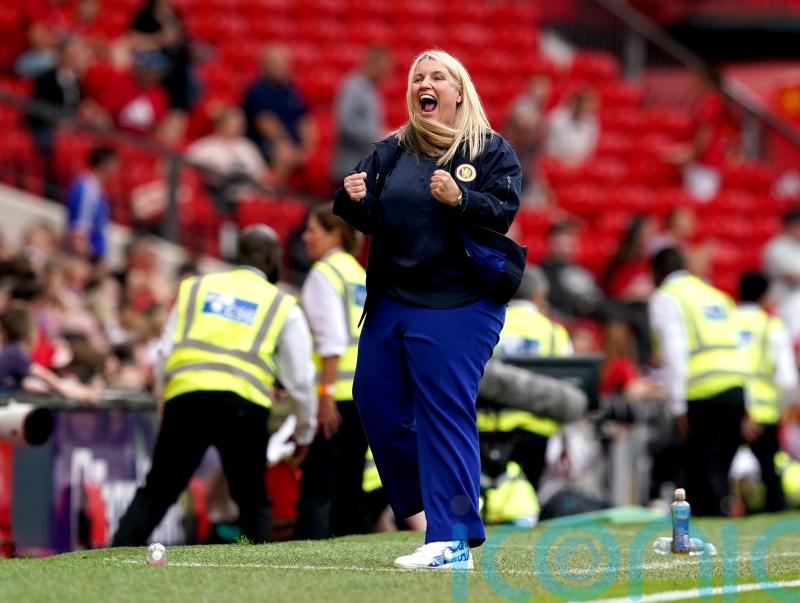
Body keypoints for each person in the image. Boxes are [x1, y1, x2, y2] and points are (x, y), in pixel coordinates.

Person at [334, 49, 521, 569]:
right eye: (419, 76)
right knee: (372, 400)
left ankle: (452, 533)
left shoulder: (489, 150)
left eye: (439, 76)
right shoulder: (393, 150)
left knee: (443, 411)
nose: (426, 82)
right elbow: (371, 213)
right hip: (395, 297)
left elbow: (502, 212)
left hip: (460, 302)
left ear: (459, 91)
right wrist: (351, 198)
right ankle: (442, 498)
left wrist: (461, 198)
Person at [112, 225, 317, 546]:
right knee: (252, 501)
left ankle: (114, 556)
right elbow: (302, 379)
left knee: (158, 490)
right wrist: (304, 431)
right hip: (242, 405)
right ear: (273, 257)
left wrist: (163, 397)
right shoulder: (282, 304)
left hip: (187, 397)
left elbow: (166, 350)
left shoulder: (196, 288)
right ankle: (264, 574)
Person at [648, 247, 746, 516]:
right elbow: (740, 346)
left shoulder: (666, 297)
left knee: (704, 469)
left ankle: (714, 527)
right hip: (735, 387)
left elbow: (674, 352)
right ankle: (723, 518)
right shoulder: (716, 295)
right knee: (721, 468)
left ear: (657, 272)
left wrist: (677, 405)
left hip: (702, 391)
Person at [295, 202, 370, 539]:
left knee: (318, 486)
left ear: (334, 233)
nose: (305, 237)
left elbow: (332, 341)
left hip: (335, 395)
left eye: (312, 230)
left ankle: (314, 552)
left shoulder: (324, 275)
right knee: (350, 485)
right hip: (365, 392)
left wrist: (324, 394)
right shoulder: (359, 274)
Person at [477, 266, 572, 490]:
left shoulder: (487, 325)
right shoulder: (553, 332)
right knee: (526, 501)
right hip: (535, 434)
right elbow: (567, 389)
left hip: (485, 429)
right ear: (539, 295)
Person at [735, 271, 799, 512]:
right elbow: (786, 378)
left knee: (718, 472)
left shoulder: (725, 322)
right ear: (764, 297)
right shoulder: (770, 326)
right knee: (769, 474)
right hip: (764, 413)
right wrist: (783, 407)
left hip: (732, 407)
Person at [242, 43, 317, 185]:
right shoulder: (257, 90)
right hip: (263, 143)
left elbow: (305, 120)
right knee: (284, 154)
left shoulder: (292, 90)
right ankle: (273, 195)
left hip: (293, 143)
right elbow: (265, 123)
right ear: (265, 65)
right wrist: (287, 144)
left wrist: (306, 148)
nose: (283, 66)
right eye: (276, 63)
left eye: (284, 62)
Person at [332, 46, 393, 184]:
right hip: (349, 168)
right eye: (383, 69)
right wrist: (377, 136)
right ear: (372, 64)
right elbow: (345, 123)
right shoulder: (354, 86)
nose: (386, 74)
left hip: (362, 167)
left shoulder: (371, 88)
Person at [539, 220, 604, 321]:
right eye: (560, 245)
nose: (565, 250)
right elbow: (553, 298)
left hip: (585, 322)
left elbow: (599, 299)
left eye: (569, 245)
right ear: (550, 244)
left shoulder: (584, 272)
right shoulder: (540, 272)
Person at [64, 145, 119, 262]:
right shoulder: (87, 189)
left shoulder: (98, 190)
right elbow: (78, 236)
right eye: (115, 165)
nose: (116, 170)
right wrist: (92, 263)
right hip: (81, 261)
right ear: (105, 164)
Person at [544, 90, 599, 167]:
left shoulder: (592, 122)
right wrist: (564, 161)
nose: (586, 111)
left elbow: (590, 151)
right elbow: (550, 147)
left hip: (580, 166)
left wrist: (576, 163)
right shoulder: (557, 118)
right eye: (583, 106)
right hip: (556, 163)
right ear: (576, 104)